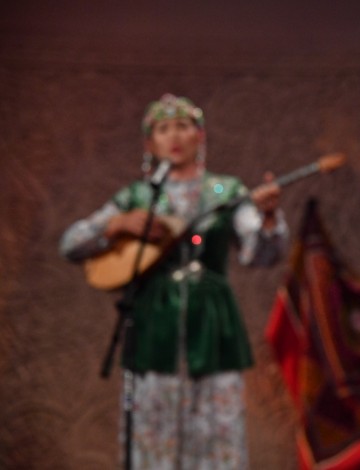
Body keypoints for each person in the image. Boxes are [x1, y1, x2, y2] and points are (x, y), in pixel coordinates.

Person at [59, 93, 288, 468]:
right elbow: (70, 244)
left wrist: (267, 218)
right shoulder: (137, 196)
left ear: (200, 136)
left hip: (212, 320)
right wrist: (116, 225)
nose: (174, 136)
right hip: (153, 320)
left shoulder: (225, 191)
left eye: (183, 126)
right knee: (153, 427)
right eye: (163, 129)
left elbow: (261, 253)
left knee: (216, 427)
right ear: (150, 143)